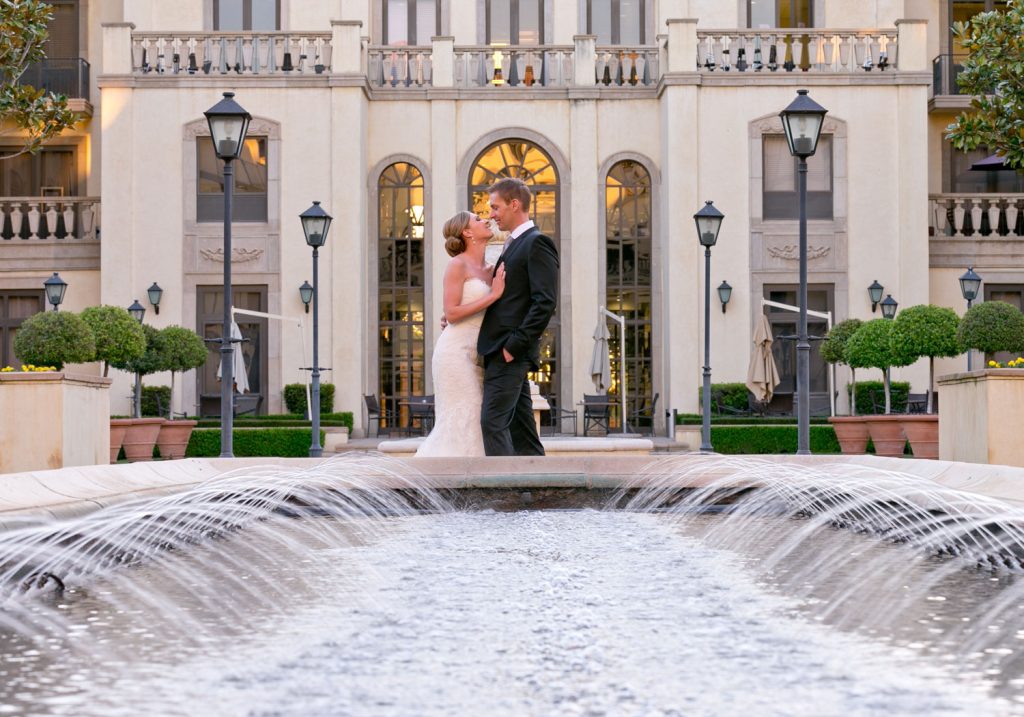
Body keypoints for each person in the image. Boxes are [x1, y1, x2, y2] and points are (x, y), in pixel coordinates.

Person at [477, 178, 559, 456]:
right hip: (502, 350)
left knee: (492, 423)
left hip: (509, 351)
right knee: (521, 431)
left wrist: (513, 346)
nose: (491, 214)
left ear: (514, 204)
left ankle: (503, 486)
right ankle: (537, 481)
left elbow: (545, 302)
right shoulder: (514, 243)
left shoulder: (537, 243)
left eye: (495, 207)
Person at [415, 211, 506, 457]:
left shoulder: (492, 269)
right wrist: (493, 295)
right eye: (477, 219)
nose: (485, 220)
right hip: (454, 355)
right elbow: (452, 313)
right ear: (467, 232)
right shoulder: (457, 264)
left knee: (477, 420)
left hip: (478, 355)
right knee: (465, 418)